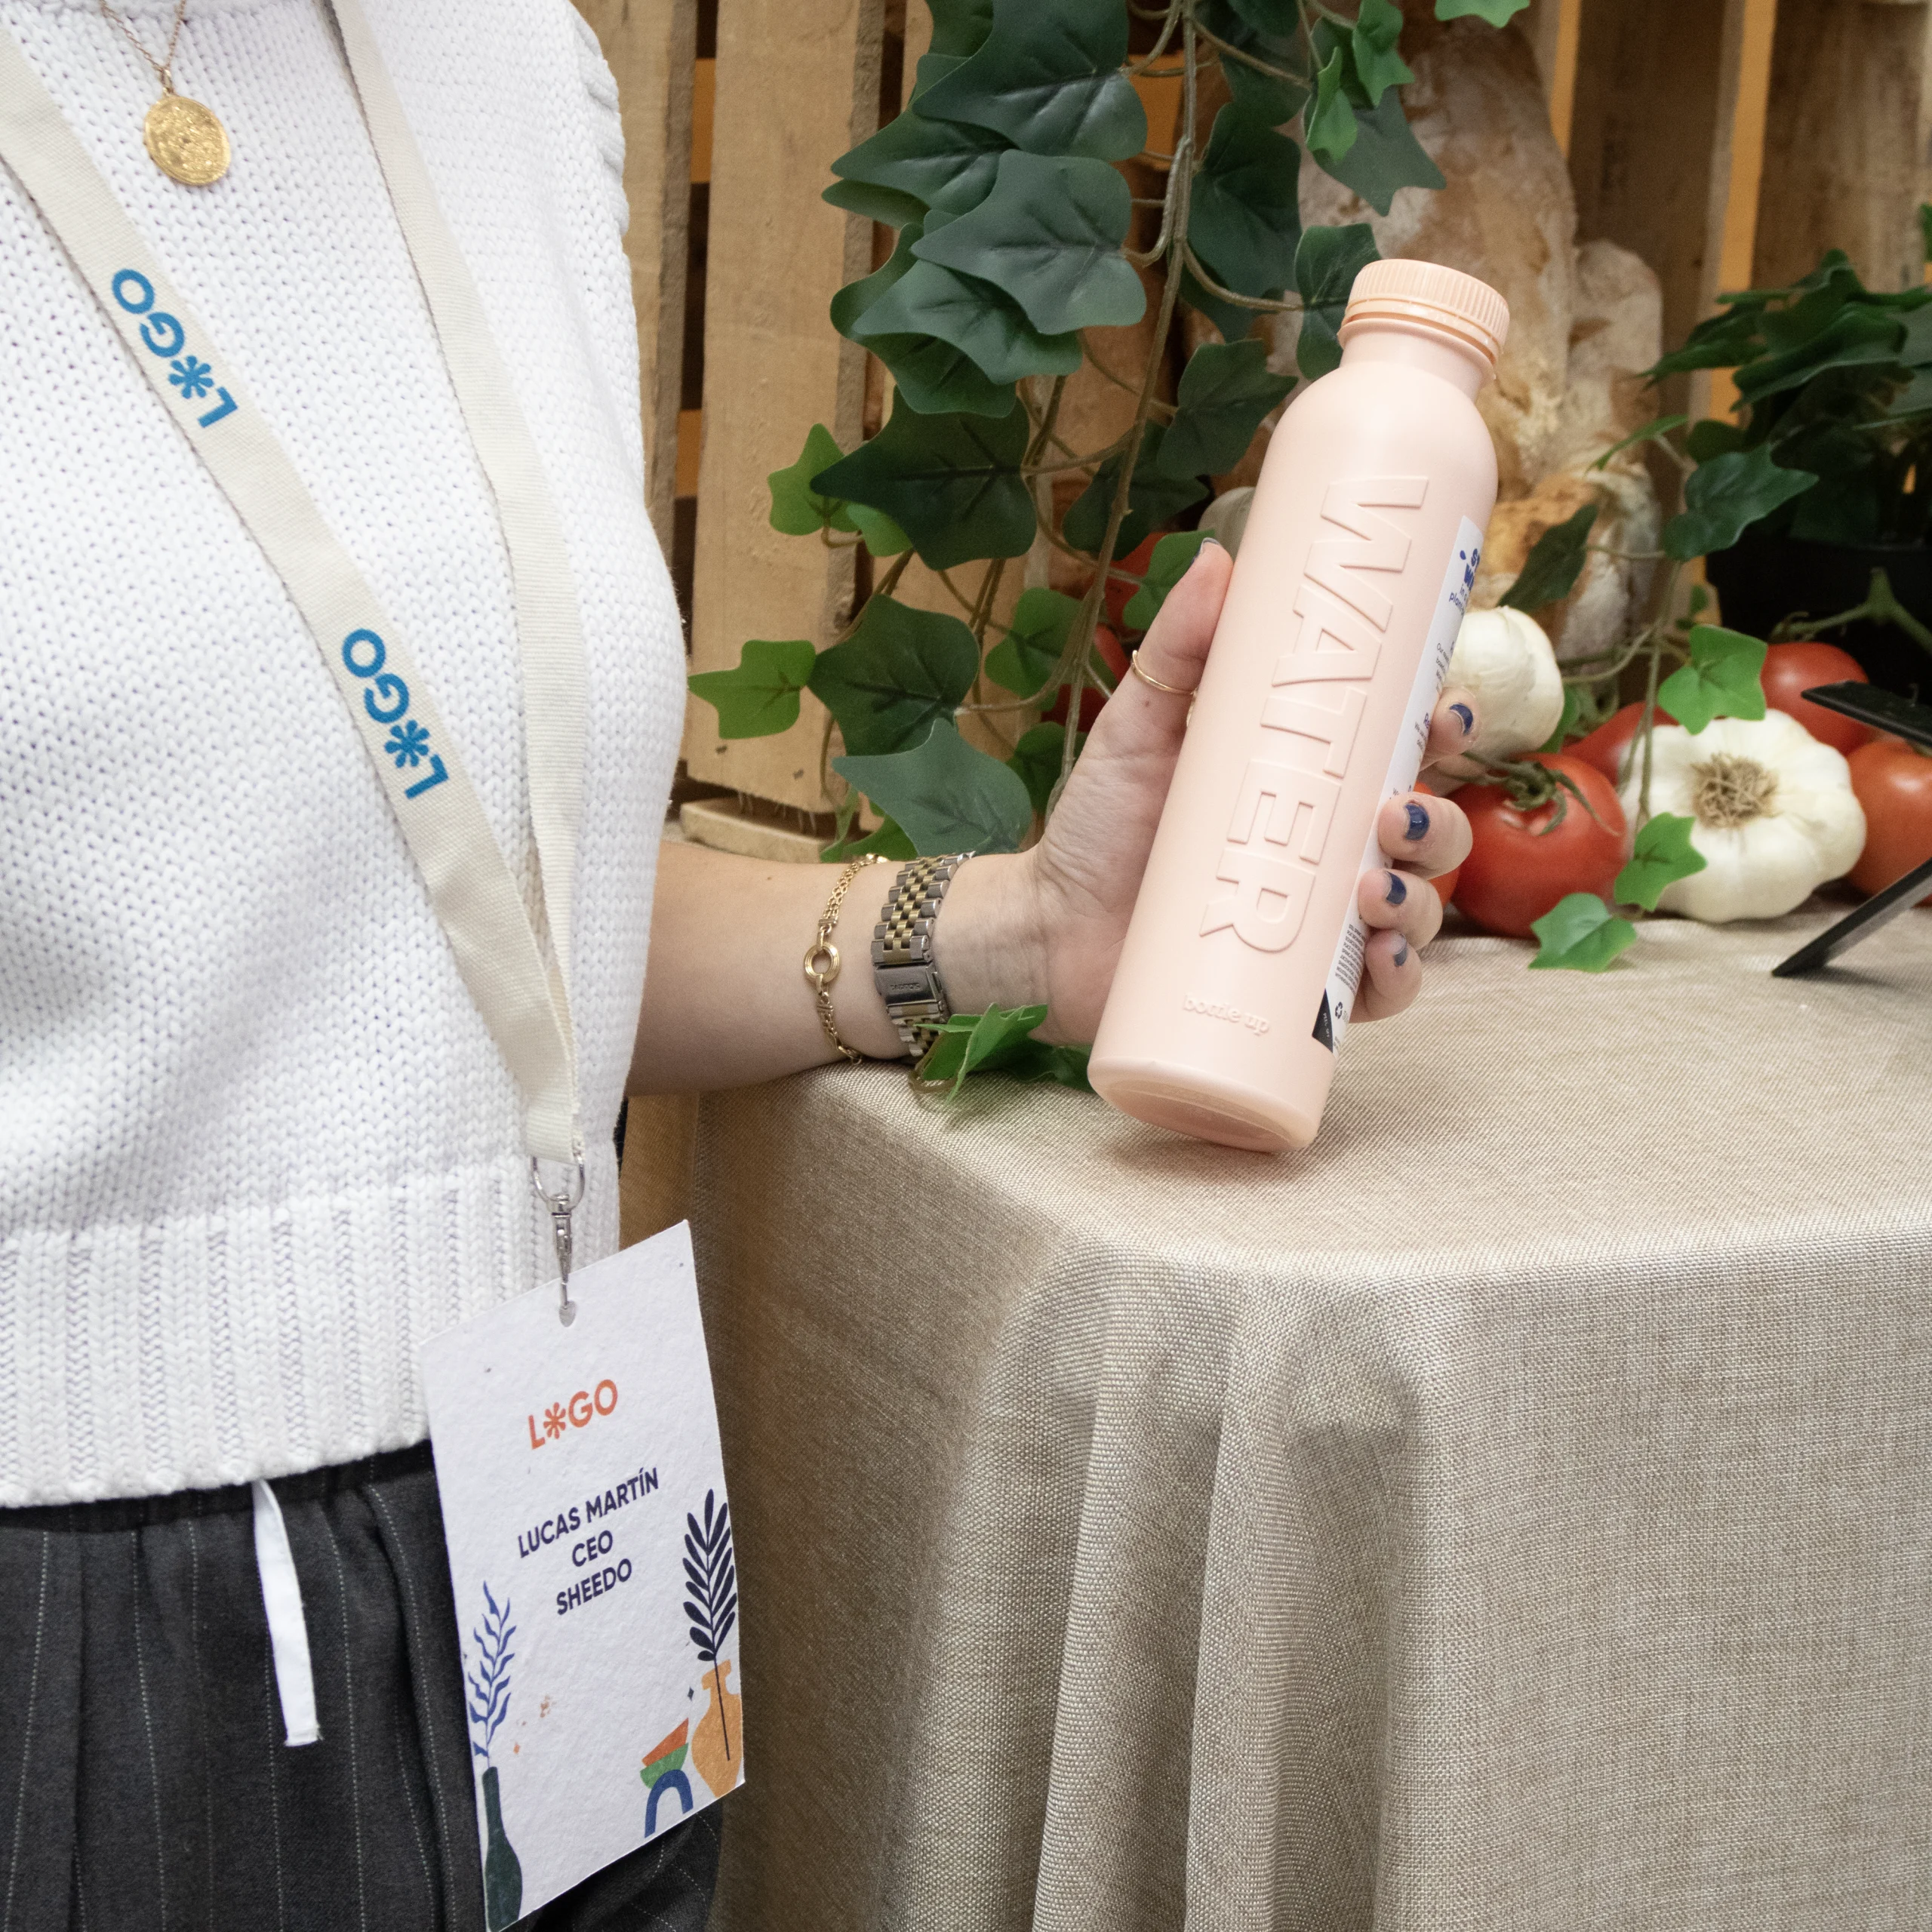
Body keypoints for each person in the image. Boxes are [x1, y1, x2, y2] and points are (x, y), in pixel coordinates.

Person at [0, 2, 1475, 1927]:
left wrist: (1027, 925)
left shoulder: (502, 62)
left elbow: (461, 922)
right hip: (77, 1632)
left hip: (553, 1550)